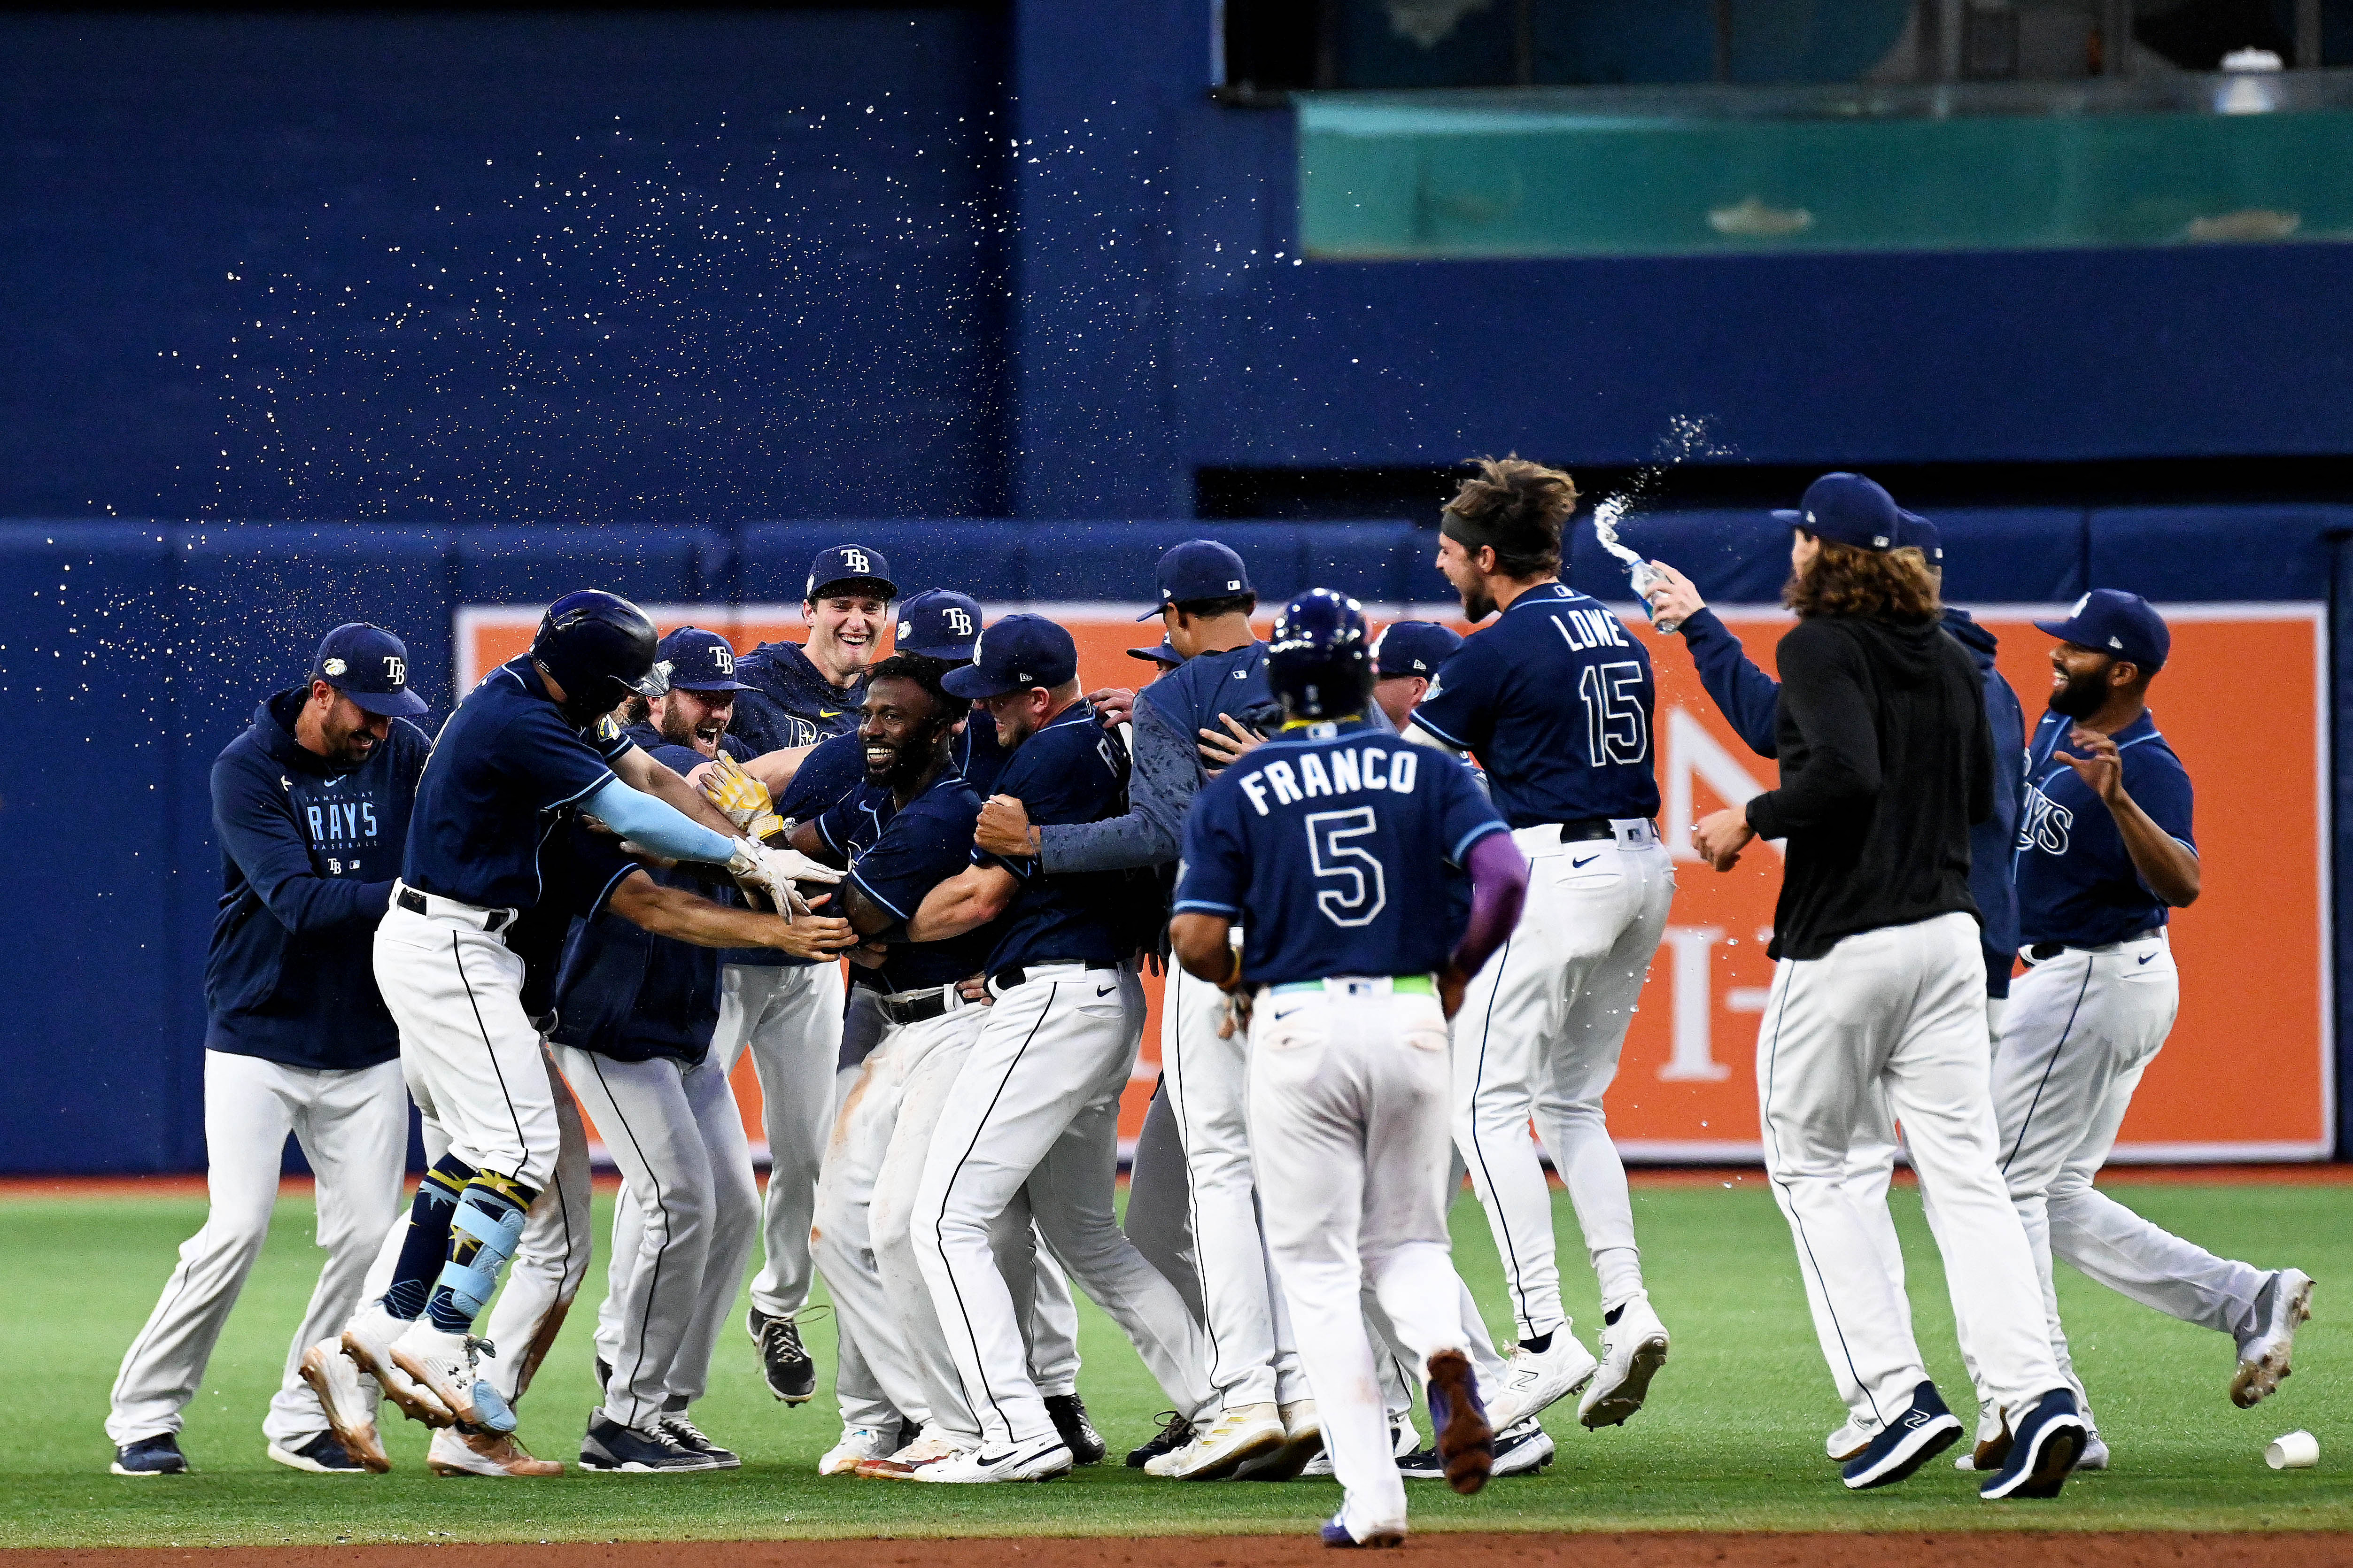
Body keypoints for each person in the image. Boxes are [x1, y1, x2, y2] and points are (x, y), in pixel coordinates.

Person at [1688, 480, 2088, 1499]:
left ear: (1821, 549)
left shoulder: (1822, 644)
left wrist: (1753, 816)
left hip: (1850, 941)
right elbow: (1975, 801)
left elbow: (1847, 775)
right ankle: (2036, 1391)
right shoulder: (1958, 659)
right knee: (1966, 1173)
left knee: (1820, 1167)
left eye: (1804, 541)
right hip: (1952, 938)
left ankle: (1895, 1393)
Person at [350, 590, 825, 1438]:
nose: (632, 701)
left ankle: (394, 1322)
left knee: (490, 1153)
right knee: (523, 1150)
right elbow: (632, 821)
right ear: (587, 676)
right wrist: (743, 862)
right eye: (624, 684)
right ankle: (444, 1338)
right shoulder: (520, 724)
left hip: (478, 946)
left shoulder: (553, 706)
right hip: (455, 942)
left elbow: (650, 776)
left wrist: (749, 851)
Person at [1169, 588, 1528, 1546]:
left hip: (1296, 1020)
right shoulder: (1426, 766)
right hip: (1411, 1013)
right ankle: (1446, 1351)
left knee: (1318, 1272)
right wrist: (1456, 968)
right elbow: (1506, 876)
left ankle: (1373, 1500)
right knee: (1409, 1243)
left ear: (1279, 680)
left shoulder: (1239, 788)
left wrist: (1239, 979)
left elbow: (1196, 935)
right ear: (1365, 676)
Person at [971, 541, 1309, 1481]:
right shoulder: (1312, 685)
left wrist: (1041, 838)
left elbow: (1162, 832)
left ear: (1175, 618)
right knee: (1296, 1187)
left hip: (1222, 948)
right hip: (1319, 954)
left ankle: (1246, 1395)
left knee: (1222, 1179)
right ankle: (1324, 1392)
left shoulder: (1177, 698)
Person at [1989, 590, 2310, 1464]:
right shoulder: (2063, 729)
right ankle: (2245, 1299)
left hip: (2090, 976)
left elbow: (2185, 883)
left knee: (1999, 1186)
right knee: (2049, 1193)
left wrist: (2122, 803)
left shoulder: (2147, 761)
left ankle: (2045, 1406)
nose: (2056, 657)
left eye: (2075, 650)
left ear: (2120, 669)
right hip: (2085, 978)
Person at [108, 626, 432, 1478]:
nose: (382, 730)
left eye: (396, 714)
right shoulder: (246, 767)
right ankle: (143, 1417)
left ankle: (303, 1415)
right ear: (322, 692)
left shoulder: (402, 753)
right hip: (261, 1031)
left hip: (368, 1039)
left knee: (367, 1237)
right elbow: (298, 901)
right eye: (369, 711)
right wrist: (423, 899)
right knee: (236, 1228)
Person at [904, 615, 1215, 1482]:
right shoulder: (1115, 736)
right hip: (1097, 996)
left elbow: (979, 897)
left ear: (1038, 698)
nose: (983, 714)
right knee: (1085, 1235)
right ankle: (1223, 1404)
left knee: (942, 1220)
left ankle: (1016, 1429)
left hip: (1051, 1000)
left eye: (997, 699)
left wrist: (865, 932)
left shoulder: (1048, 754)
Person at [1406, 457, 1674, 1432]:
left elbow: (1415, 784)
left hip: (1560, 872)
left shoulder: (1491, 647)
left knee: (1480, 1106)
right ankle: (1626, 1305)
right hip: (1642, 866)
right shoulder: (1612, 625)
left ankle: (1541, 1340)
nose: (1443, 568)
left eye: (1449, 552)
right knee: (1571, 1100)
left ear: (1488, 554)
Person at [793, 652, 1096, 1479]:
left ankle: (982, 1420)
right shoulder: (867, 798)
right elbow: (795, 853)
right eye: (867, 715)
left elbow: (852, 912)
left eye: (893, 716)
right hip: (893, 1028)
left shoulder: (946, 809)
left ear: (945, 726)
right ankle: (939, 1417)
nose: (873, 730)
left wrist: (839, 903)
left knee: (911, 1227)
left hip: (959, 1026)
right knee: (838, 1235)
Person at [723, 544, 896, 1403]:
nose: (855, 617)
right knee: (691, 1171)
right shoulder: (753, 687)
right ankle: (630, 1363)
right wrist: (831, 760)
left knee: (808, 1150)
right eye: (839, 601)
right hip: (722, 950)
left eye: (871, 603)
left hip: (811, 953)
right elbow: (723, 795)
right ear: (808, 611)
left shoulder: (892, 698)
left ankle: (778, 1304)